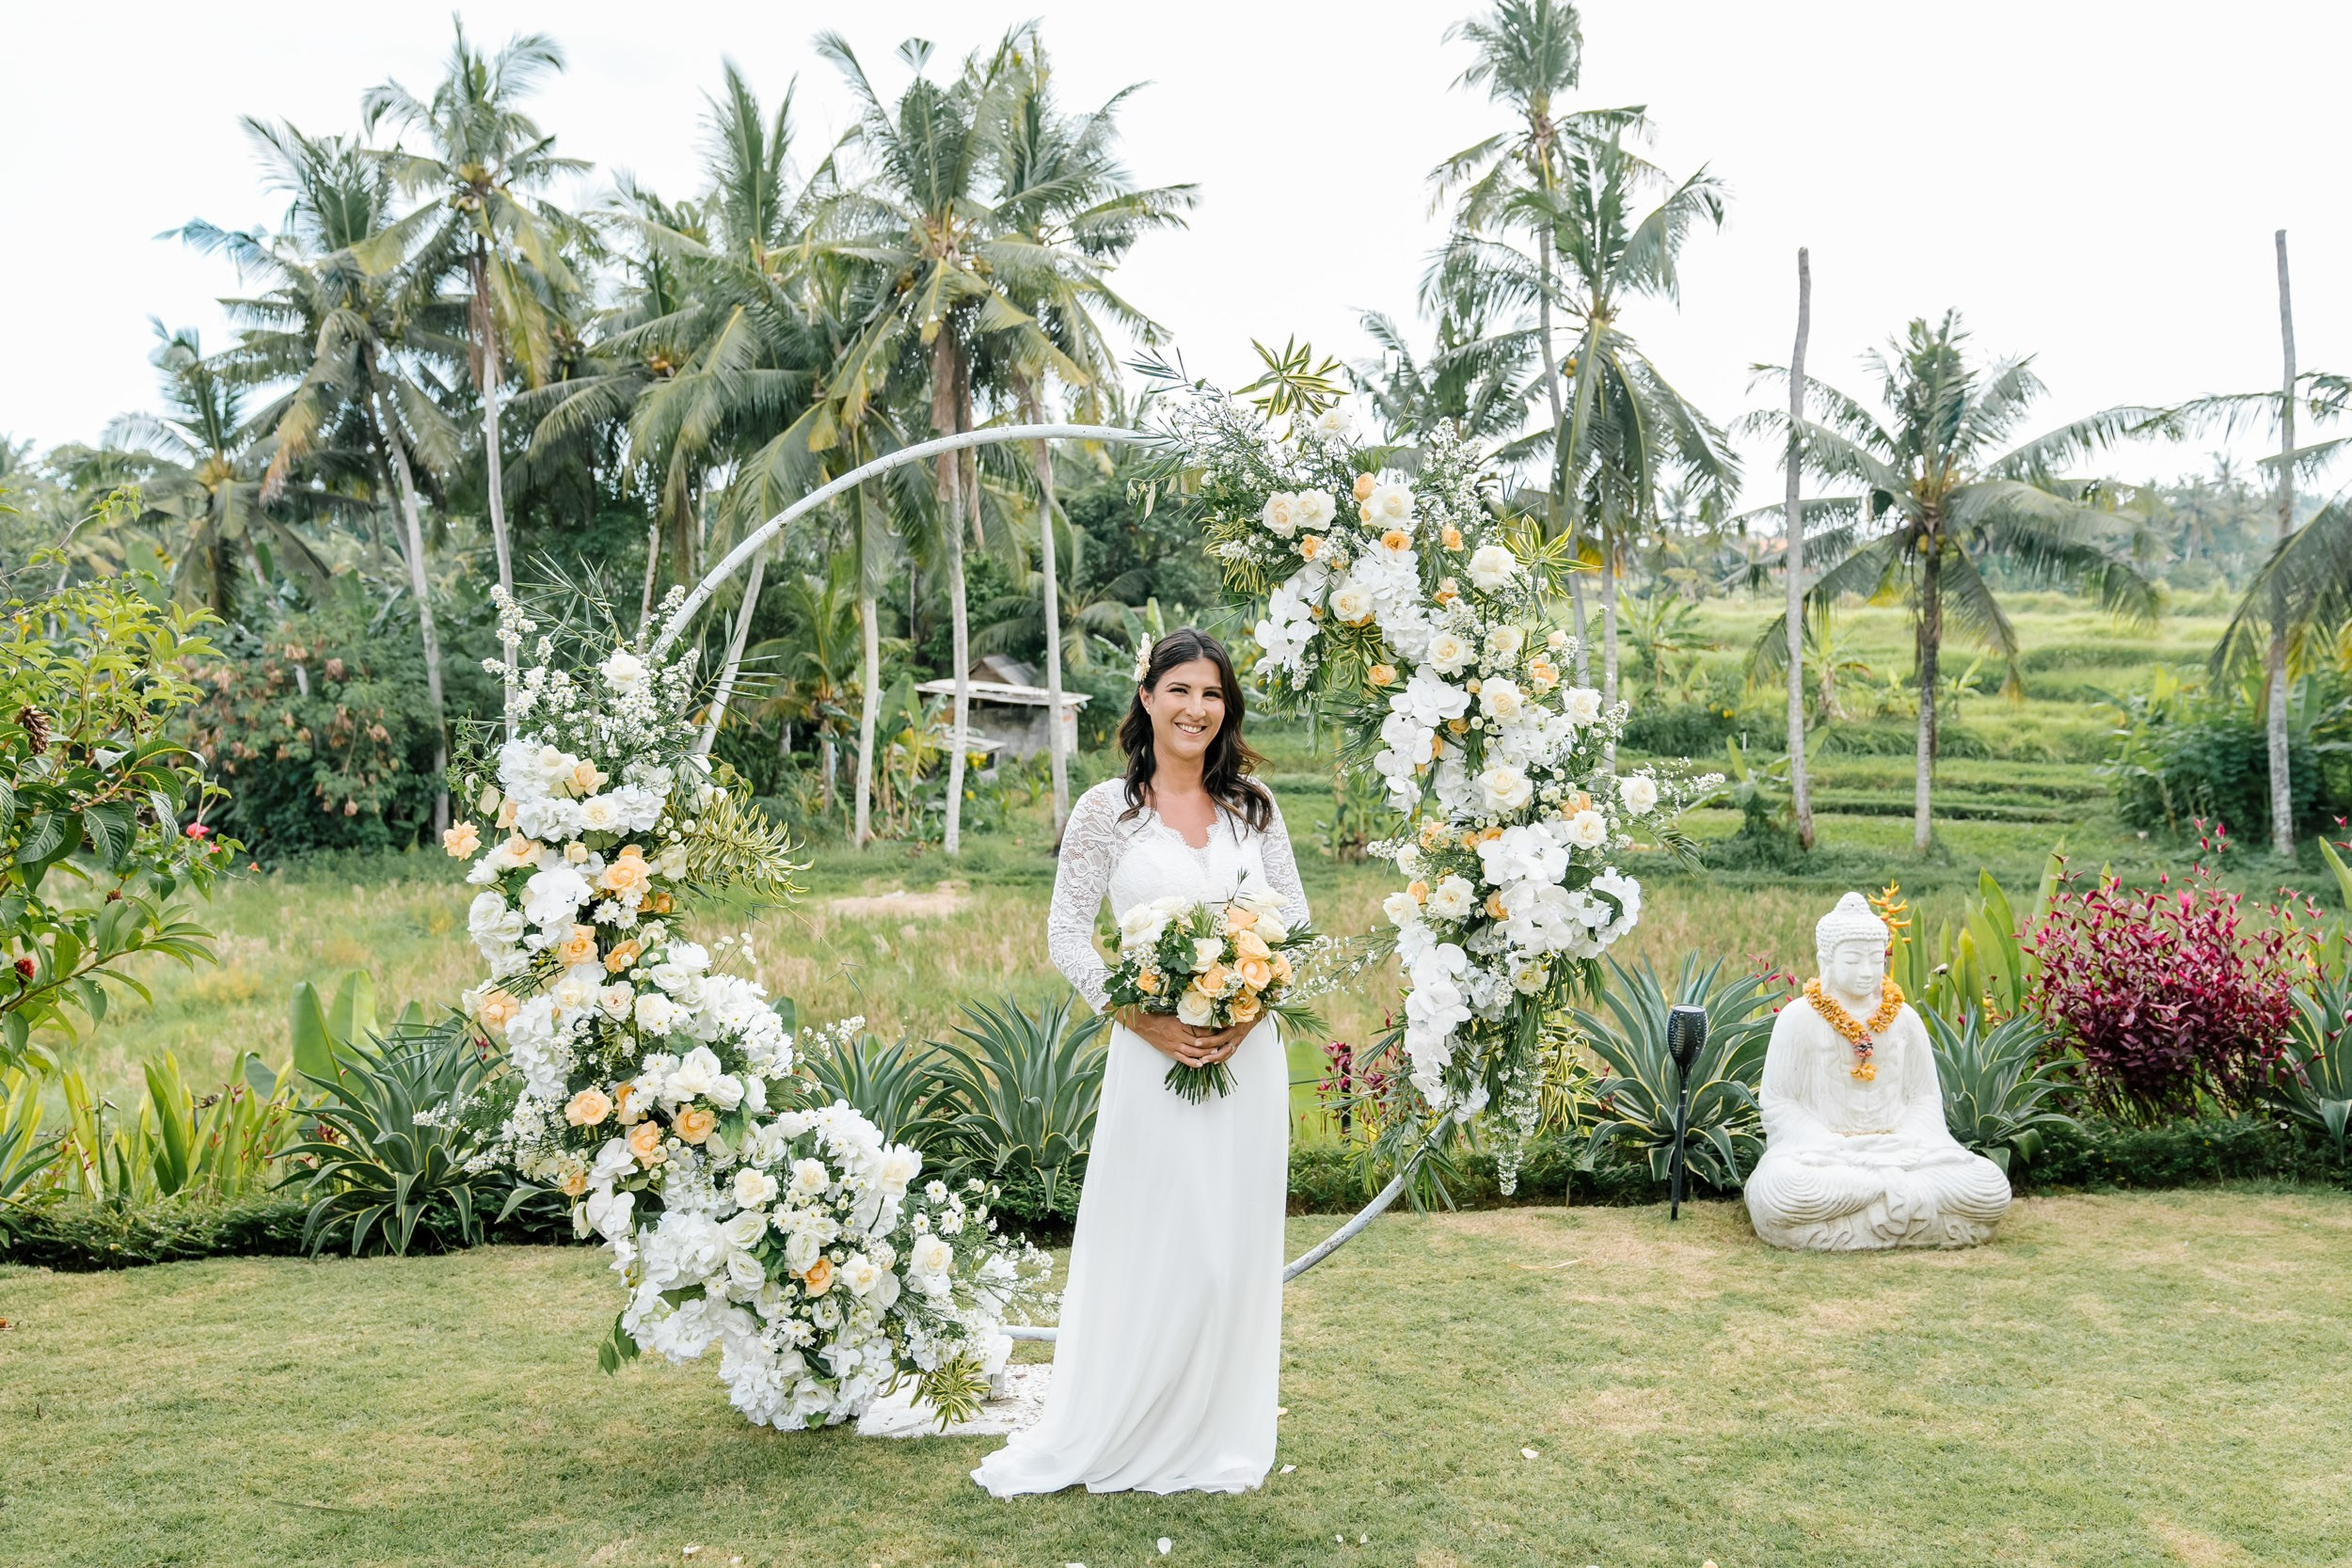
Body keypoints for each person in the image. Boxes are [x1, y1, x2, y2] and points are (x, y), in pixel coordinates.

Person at [972, 627, 1308, 1497]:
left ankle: (1215, 1422)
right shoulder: (1104, 812)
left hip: (1247, 1056)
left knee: (1229, 1246)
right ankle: (1133, 1410)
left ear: (1225, 708)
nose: (1198, 708)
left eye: (1213, 693)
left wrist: (1252, 1003)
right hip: (1152, 1060)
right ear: (1147, 697)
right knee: (1163, 1238)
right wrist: (1143, 1020)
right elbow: (1064, 934)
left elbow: (1295, 929)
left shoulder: (1256, 808)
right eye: (1181, 690)